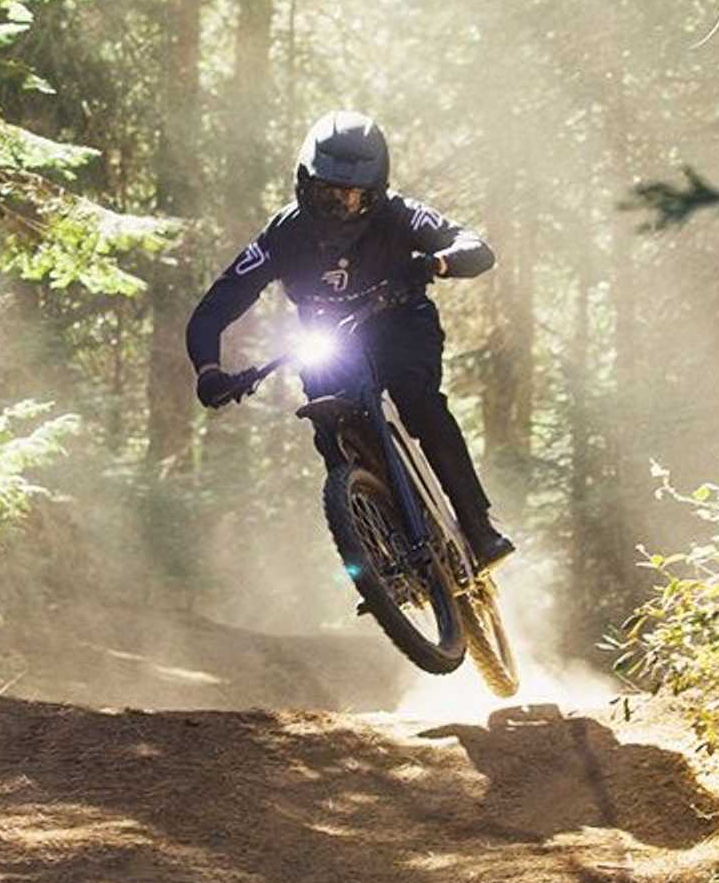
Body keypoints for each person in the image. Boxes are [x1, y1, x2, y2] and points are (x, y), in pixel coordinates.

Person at [185, 110, 515, 570]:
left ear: (375, 193)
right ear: (305, 184)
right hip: (329, 336)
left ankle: (479, 528)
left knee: (418, 401)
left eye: (353, 196)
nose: (339, 206)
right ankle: (377, 555)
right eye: (327, 193)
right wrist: (209, 371)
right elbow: (214, 308)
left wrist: (435, 263)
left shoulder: (399, 214)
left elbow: (476, 249)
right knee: (330, 425)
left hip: (400, 322)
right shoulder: (283, 235)